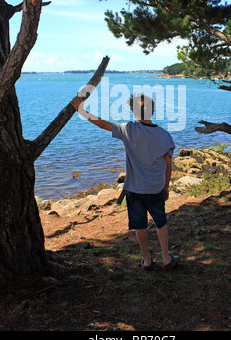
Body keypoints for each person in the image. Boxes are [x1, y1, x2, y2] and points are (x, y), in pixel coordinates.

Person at [71, 92, 179, 270]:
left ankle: (146, 260)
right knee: (161, 221)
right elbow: (168, 164)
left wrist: (82, 111)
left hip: (134, 190)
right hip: (155, 189)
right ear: (153, 112)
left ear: (134, 114)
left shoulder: (129, 129)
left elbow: (103, 123)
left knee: (140, 225)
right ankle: (166, 258)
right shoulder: (165, 136)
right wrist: (166, 186)